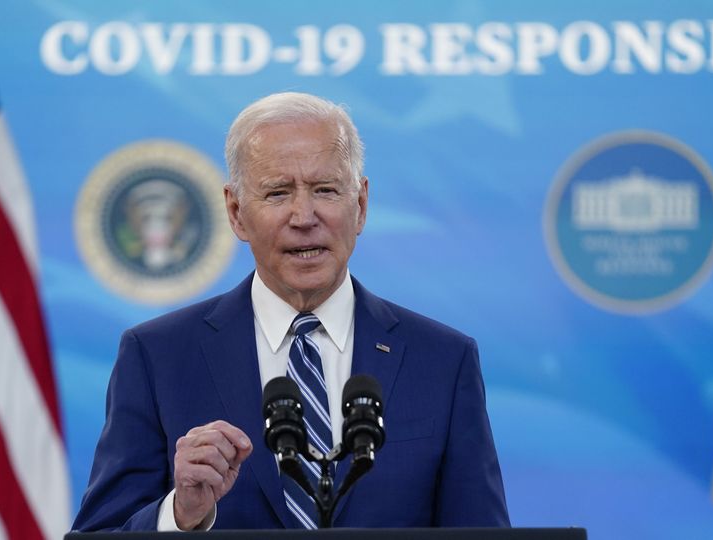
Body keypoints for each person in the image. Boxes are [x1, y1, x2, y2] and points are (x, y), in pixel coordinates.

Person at [72, 92, 510, 531]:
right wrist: (178, 515)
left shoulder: (442, 360)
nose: (304, 216)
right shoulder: (158, 357)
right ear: (236, 212)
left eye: (325, 190)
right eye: (278, 193)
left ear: (359, 205)